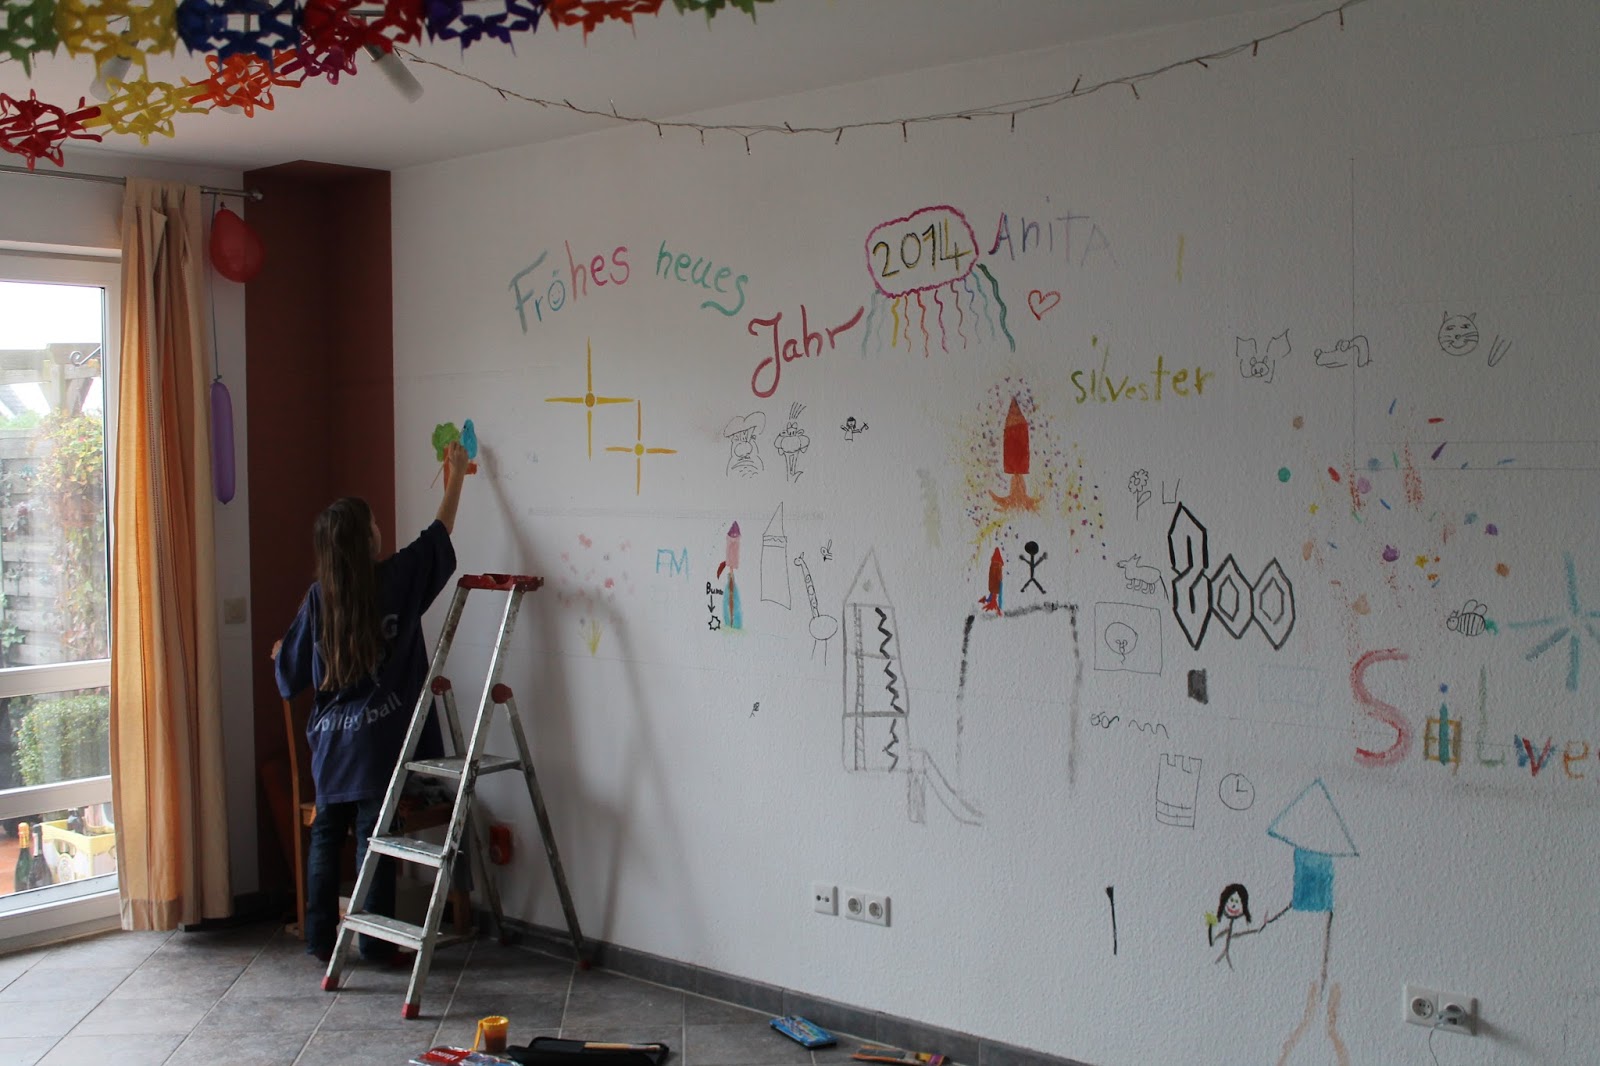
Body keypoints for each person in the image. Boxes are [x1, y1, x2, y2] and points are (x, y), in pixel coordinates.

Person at [274, 441, 469, 961]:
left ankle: (320, 939)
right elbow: (439, 534)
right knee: (372, 838)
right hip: (379, 744)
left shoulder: (319, 599)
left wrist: (281, 651)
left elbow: (289, 672)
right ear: (366, 539)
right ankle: (376, 945)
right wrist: (456, 476)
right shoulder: (394, 581)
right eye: (375, 524)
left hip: (330, 747)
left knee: (325, 837)